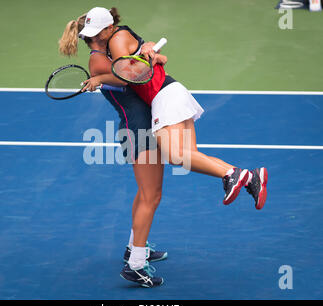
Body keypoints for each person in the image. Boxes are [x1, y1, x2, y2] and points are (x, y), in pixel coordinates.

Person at [80, 7, 268, 213]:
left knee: (174, 155)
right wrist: (152, 54)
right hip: (173, 91)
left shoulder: (116, 40)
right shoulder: (121, 38)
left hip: (163, 96)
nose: (95, 38)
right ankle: (251, 178)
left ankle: (233, 173)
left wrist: (99, 78)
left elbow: (126, 74)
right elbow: (150, 63)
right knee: (187, 156)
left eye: (98, 33)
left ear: (109, 27)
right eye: (91, 35)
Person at [59, 10, 166, 288]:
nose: (92, 42)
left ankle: (135, 248)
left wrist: (148, 47)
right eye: (90, 37)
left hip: (146, 124)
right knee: (150, 195)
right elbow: (130, 77)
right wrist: (102, 77)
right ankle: (136, 266)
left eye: (95, 35)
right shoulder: (97, 60)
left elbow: (136, 63)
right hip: (136, 130)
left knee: (150, 194)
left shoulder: (115, 44)